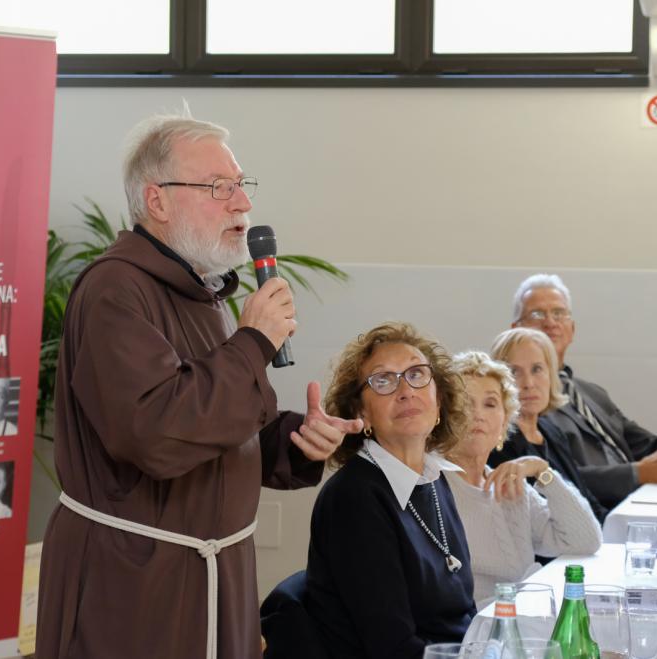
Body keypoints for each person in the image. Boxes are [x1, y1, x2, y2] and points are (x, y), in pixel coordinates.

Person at [36, 113, 361, 659]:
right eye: (219, 187)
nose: (243, 204)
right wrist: (253, 342)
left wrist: (295, 441)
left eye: (241, 185)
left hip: (213, 573)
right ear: (157, 200)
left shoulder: (200, 292)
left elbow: (214, 427)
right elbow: (157, 433)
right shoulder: (115, 290)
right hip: (135, 582)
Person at [303, 323, 475, 658]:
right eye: (383, 380)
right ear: (361, 413)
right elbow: (391, 646)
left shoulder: (433, 478)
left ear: (439, 400)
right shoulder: (354, 498)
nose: (405, 390)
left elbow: (461, 613)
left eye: (416, 374)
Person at [512, 273, 657, 508]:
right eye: (537, 314)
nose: (550, 322)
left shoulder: (593, 393)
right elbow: (554, 477)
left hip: (638, 501)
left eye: (559, 313)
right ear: (516, 329)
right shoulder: (525, 398)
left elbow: (646, 449)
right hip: (596, 512)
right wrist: (637, 474)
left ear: (572, 329)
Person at [445, 350, 601, 606]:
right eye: (465, 403)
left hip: (524, 616)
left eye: (490, 404)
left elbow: (584, 541)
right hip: (477, 623)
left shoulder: (509, 486)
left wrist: (543, 472)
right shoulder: (433, 487)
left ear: (504, 422)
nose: (478, 414)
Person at [489, 328, 608, 522]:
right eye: (514, 372)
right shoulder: (500, 445)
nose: (528, 383)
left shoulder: (552, 432)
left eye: (537, 369)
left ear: (551, 375)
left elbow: (587, 502)